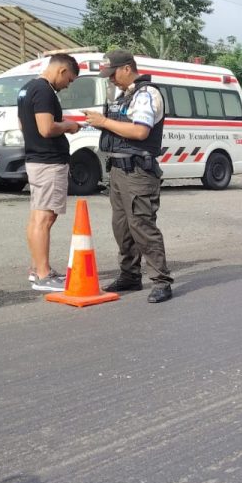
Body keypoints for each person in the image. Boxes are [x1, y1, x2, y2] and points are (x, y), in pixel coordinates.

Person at [82, 50, 174, 303]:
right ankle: (130, 275)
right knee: (122, 227)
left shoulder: (146, 94)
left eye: (113, 74)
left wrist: (103, 122)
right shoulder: (125, 96)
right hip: (119, 170)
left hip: (138, 172)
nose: (110, 80)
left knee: (142, 225)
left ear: (127, 68)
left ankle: (161, 280)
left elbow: (140, 132)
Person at [18, 53, 80, 292]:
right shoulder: (44, 91)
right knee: (45, 218)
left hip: (36, 159)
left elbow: (24, 124)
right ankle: (43, 274)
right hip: (48, 162)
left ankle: (37, 268)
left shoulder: (26, 89)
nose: (68, 85)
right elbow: (46, 128)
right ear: (62, 71)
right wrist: (68, 125)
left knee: (37, 217)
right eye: (70, 80)